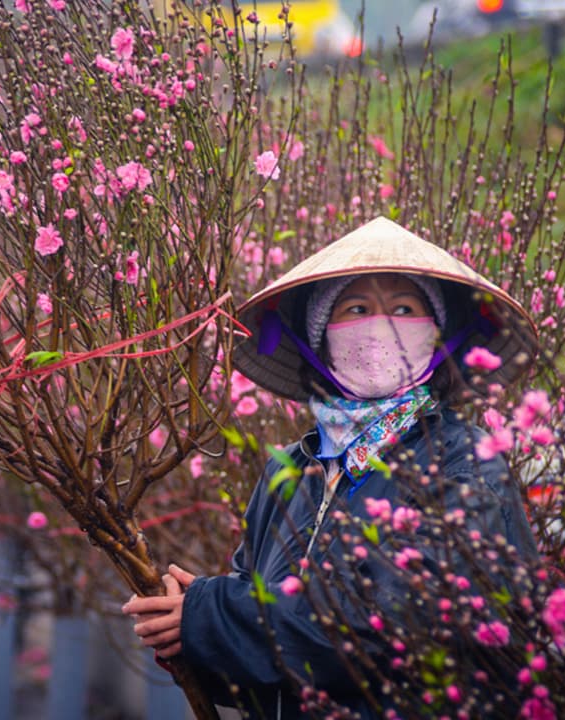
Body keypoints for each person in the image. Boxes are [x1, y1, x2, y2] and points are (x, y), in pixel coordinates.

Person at [123, 217, 540, 718]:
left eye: (404, 308)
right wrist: (191, 636)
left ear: (434, 337)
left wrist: (216, 613)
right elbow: (271, 663)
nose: (380, 324)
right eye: (356, 309)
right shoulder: (292, 473)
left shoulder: (464, 464)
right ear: (320, 340)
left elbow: (398, 626)